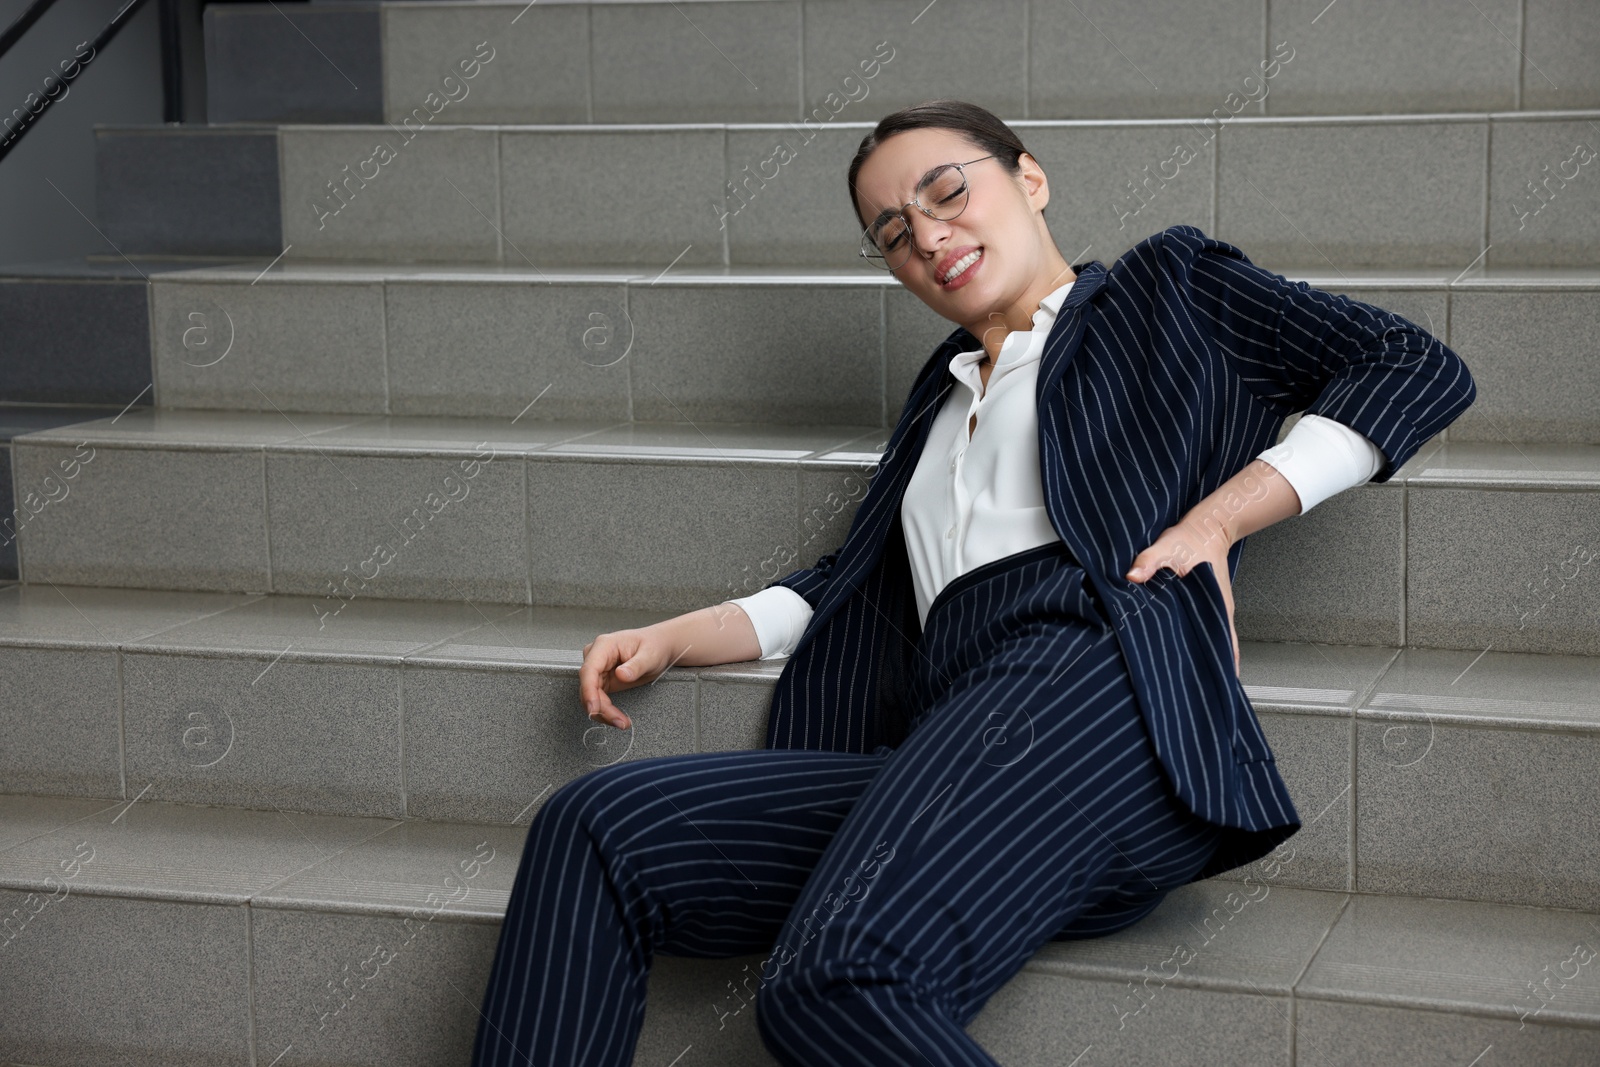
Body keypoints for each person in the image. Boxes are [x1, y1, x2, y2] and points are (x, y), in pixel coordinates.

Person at [471, 100, 1476, 1066]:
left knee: (836, 979)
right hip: (955, 740)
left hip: (1087, 689)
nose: (927, 234)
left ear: (1028, 177)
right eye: (894, 231)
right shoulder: (938, 395)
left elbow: (1410, 362)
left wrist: (1219, 517)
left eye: (947, 190)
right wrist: (677, 635)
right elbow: (856, 582)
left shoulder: (1165, 290)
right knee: (597, 827)